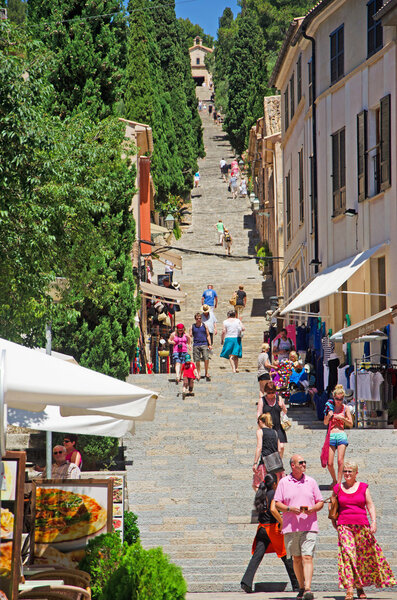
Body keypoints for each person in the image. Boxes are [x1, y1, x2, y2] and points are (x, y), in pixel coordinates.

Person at [331, 460, 396, 600]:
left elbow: (370, 505)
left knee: (360, 558)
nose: (347, 474)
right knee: (348, 556)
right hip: (344, 525)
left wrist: (373, 522)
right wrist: (333, 521)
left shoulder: (363, 487)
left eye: (350, 471)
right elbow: (333, 506)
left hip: (362, 526)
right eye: (345, 471)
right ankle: (349, 588)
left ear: (356, 473)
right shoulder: (337, 488)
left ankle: (359, 587)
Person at [274, 455, 324, 600]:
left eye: (305, 462)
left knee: (307, 556)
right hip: (291, 526)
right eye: (301, 462)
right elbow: (277, 503)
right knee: (296, 558)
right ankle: (301, 587)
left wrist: (313, 508)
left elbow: (320, 501)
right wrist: (289, 509)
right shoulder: (284, 482)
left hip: (309, 526)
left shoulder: (311, 481)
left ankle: (308, 588)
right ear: (293, 465)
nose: (304, 464)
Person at [241, 475, 299, 594]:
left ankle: (246, 582)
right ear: (274, 483)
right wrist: (282, 522)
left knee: (257, 556)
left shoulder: (261, 493)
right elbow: (273, 510)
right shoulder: (273, 493)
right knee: (286, 556)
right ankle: (297, 585)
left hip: (262, 528)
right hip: (272, 529)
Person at [324, 384, 353, 487]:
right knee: (330, 463)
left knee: (340, 460)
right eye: (337, 399)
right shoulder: (329, 407)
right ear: (334, 397)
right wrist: (329, 416)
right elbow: (325, 423)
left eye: (341, 399)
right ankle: (334, 479)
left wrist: (343, 419)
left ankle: (339, 482)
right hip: (331, 434)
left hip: (341, 434)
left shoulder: (345, 408)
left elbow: (351, 423)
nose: (338, 401)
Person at [257, 381, 288, 458]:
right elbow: (259, 413)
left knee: (281, 447)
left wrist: (282, 406)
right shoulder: (262, 400)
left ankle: (279, 462)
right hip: (268, 428)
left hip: (278, 427)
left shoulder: (278, 398)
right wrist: (259, 427)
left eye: (273, 392)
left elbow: (285, 411)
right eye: (269, 392)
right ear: (266, 392)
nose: (271, 394)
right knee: (270, 449)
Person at [252, 413, 282, 491]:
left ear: (261, 421)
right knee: (275, 486)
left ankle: (264, 500)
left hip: (264, 462)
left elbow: (259, 447)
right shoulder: (275, 432)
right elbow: (280, 448)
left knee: (257, 484)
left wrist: (255, 462)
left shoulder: (260, 431)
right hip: (276, 463)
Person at [189, 312, 212, 381]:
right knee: (197, 360)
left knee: (206, 358)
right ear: (195, 319)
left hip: (204, 344)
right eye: (197, 318)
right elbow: (190, 336)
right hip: (196, 344)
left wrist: (210, 344)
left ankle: (206, 372)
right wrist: (190, 344)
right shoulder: (192, 326)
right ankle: (198, 373)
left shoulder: (205, 326)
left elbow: (208, 335)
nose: (199, 319)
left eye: (200, 318)